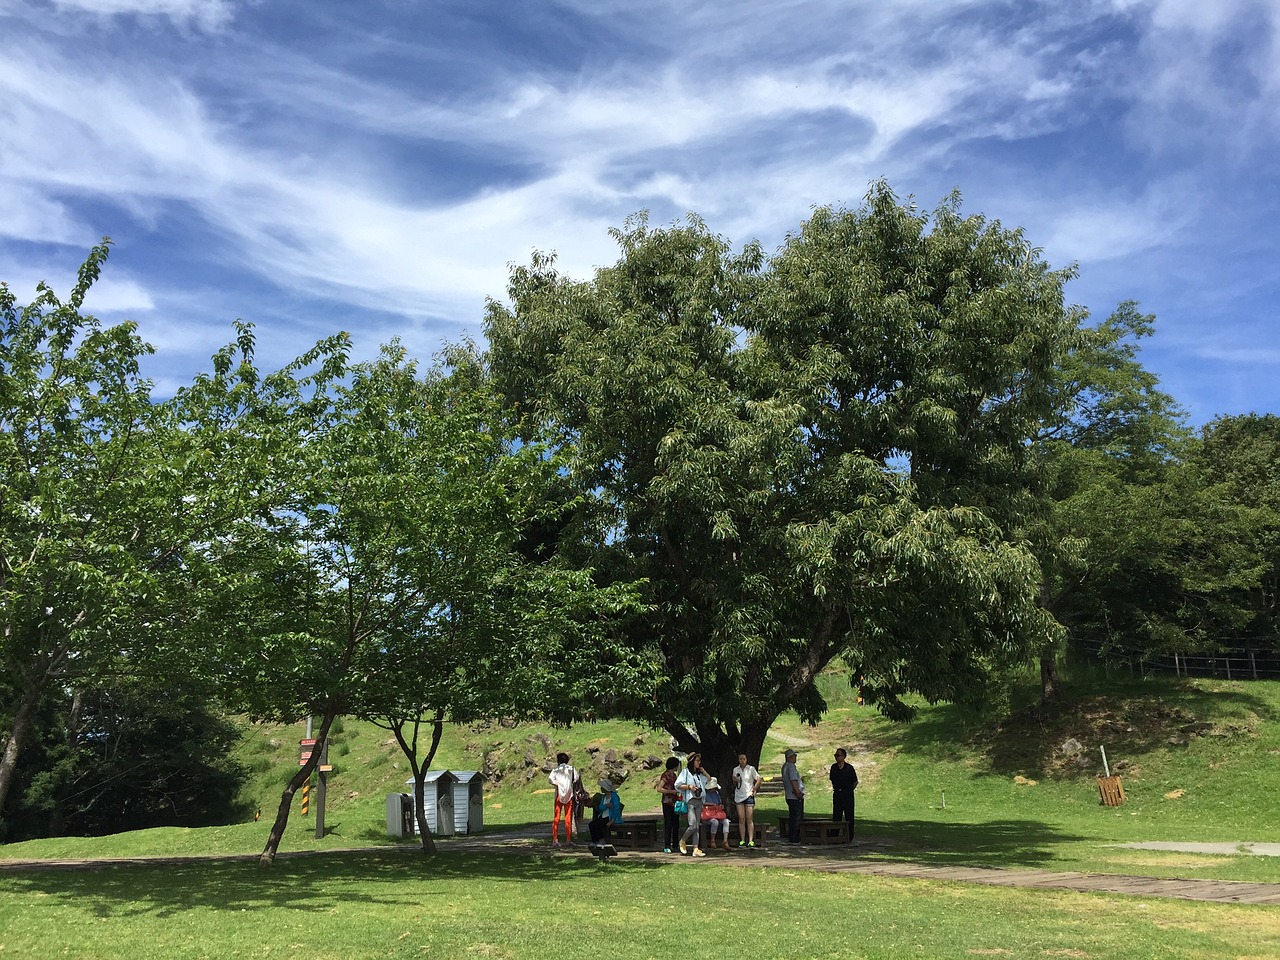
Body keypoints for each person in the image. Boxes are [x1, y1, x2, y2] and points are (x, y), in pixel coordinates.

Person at [675, 751, 709, 857]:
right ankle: (683, 840)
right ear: (692, 761)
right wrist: (689, 787)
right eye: (697, 761)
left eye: (699, 761)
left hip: (699, 801)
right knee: (693, 824)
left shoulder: (698, 774)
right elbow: (678, 784)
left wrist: (704, 772)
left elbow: (709, 780)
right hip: (691, 801)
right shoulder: (685, 772)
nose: (699, 762)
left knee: (697, 825)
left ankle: (696, 848)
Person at [547, 752, 578, 849]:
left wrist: (558, 785)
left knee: (556, 818)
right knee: (568, 818)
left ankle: (555, 840)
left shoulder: (556, 770)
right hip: (569, 795)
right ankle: (568, 840)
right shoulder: (571, 769)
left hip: (558, 796)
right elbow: (576, 778)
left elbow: (550, 780)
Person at [731, 752, 761, 847]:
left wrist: (754, 789)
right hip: (739, 795)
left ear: (746, 759)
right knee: (741, 818)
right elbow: (734, 784)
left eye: (744, 759)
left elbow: (759, 779)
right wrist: (735, 781)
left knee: (749, 818)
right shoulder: (736, 769)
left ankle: (751, 840)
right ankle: (742, 839)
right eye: (740, 759)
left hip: (748, 794)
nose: (742, 761)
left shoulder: (751, 769)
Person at [829, 747, 859, 836]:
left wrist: (849, 790)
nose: (836, 757)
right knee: (837, 815)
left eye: (838, 755)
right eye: (835, 755)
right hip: (838, 793)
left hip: (847, 794)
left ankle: (849, 836)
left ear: (843, 756)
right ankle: (834, 835)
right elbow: (832, 779)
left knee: (849, 815)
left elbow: (855, 782)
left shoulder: (849, 768)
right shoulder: (833, 767)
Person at [656, 757, 682, 853]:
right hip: (667, 802)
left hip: (675, 803)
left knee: (676, 824)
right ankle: (667, 844)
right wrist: (671, 791)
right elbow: (659, 788)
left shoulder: (674, 776)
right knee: (668, 823)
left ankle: (675, 844)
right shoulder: (665, 775)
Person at [700, 776, 730, 851]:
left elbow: (720, 803)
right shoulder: (704, 794)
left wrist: (721, 806)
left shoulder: (716, 794)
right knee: (715, 822)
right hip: (708, 815)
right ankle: (712, 840)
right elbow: (702, 803)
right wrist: (710, 804)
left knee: (726, 821)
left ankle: (725, 841)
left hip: (717, 814)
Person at [589, 778, 624, 842]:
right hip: (603, 816)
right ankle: (595, 841)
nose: (601, 788)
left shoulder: (614, 796)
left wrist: (611, 821)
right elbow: (600, 808)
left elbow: (616, 809)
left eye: (602, 787)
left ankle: (601, 840)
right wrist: (606, 806)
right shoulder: (604, 797)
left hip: (610, 817)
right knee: (591, 824)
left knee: (598, 825)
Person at [782, 747, 805, 843]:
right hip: (794, 796)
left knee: (793, 817)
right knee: (797, 817)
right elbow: (793, 780)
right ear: (790, 757)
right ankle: (795, 838)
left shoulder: (784, 766)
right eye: (794, 756)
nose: (796, 757)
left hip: (789, 795)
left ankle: (792, 836)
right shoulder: (791, 766)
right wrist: (798, 792)